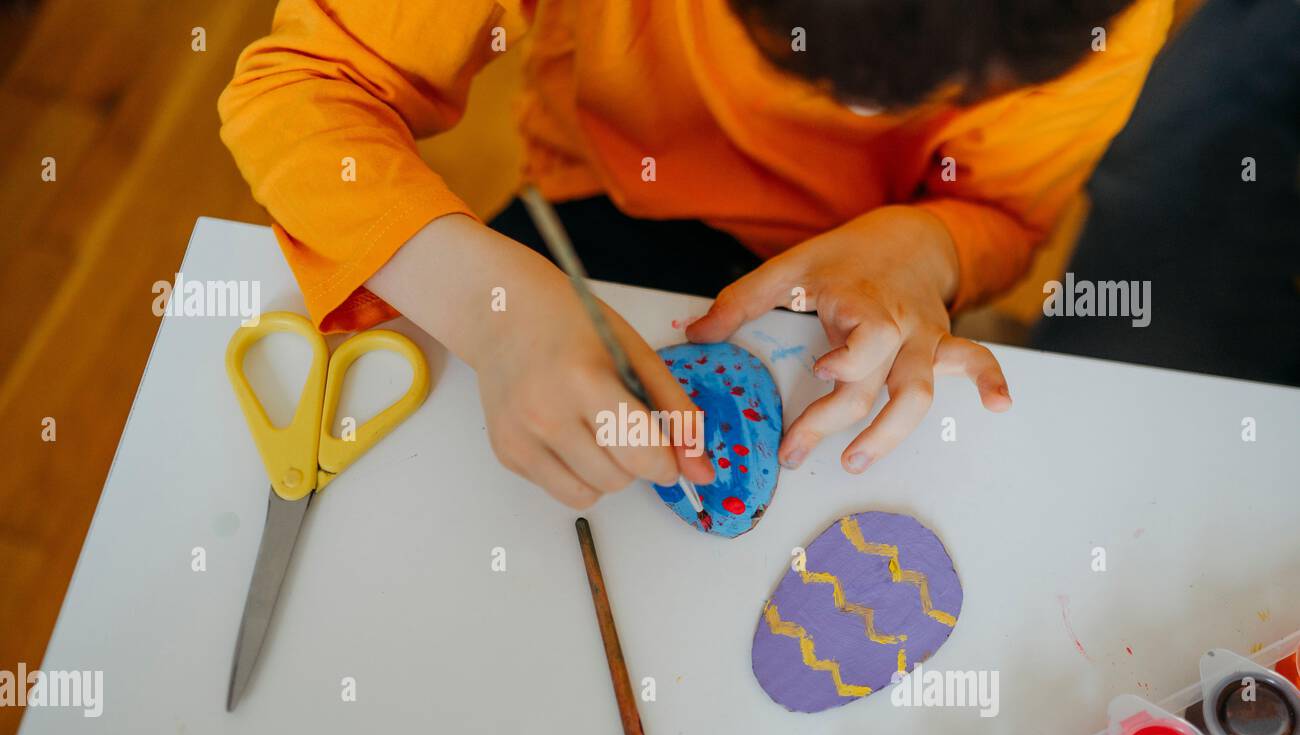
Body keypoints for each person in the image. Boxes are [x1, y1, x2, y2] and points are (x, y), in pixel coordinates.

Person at [219, 0, 1170, 508]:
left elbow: (1001, 212)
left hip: (862, 308)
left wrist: (928, 246)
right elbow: (299, 90)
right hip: (591, 211)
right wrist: (486, 308)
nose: (867, 114)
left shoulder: (1101, 17)